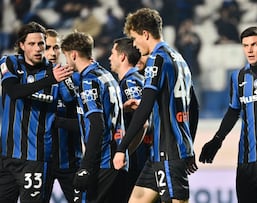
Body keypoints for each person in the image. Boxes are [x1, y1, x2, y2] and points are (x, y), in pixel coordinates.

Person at [112, 8, 199, 203]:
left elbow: (146, 107)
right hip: (164, 152)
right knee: (137, 199)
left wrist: (122, 147)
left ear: (145, 34)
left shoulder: (156, 59)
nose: (134, 45)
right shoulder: (179, 58)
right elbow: (193, 107)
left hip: (168, 151)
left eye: (134, 38)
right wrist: (188, 146)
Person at [199, 26, 257, 203]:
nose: (249, 49)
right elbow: (234, 111)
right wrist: (217, 139)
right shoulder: (237, 77)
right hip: (245, 161)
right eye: (245, 45)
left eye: (254, 44)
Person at [0, 21, 73, 202]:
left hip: (36, 159)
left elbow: (72, 103)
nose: (38, 48)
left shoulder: (56, 72)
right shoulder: (9, 62)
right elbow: (13, 92)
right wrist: (49, 80)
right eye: (32, 44)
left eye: (41, 43)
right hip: (6, 158)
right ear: (22, 45)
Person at [60, 31, 128, 203]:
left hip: (103, 161)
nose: (66, 62)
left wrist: (86, 166)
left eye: (66, 57)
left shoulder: (89, 82)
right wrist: (58, 122)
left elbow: (97, 126)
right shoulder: (106, 75)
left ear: (73, 54)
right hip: (117, 159)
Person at [108, 37, 151, 202]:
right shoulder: (139, 79)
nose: (109, 57)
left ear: (122, 57)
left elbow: (142, 120)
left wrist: (126, 150)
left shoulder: (130, 83)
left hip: (136, 159)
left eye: (113, 53)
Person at [43, 28, 82, 203]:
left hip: (69, 160)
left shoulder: (73, 77)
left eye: (56, 47)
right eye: (48, 47)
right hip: (42, 161)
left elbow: (70, 98)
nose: (52, 52)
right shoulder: (31, 80)